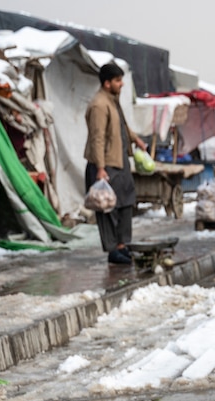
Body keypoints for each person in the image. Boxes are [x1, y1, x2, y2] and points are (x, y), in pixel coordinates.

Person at [84, 62, 147, 265]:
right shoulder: (99, 105)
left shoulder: (113, 101)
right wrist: (100, 168)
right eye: (118, 81)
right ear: (107, 83)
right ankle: (112, 249)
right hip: (106, 164)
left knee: (125, 203)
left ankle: (122, 245)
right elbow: (97, 138)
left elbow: (123, 126)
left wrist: (135, 139)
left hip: (120, 160)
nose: (122, 84)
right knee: (108, 208)